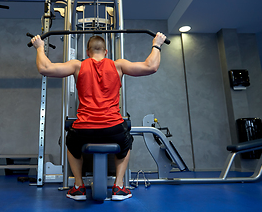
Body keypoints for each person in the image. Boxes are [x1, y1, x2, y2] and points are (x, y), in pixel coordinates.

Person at [31, 32, 167, 201]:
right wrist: (157, 44)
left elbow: (45, 68)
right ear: (106, 51)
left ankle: (79, 187)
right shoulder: (119, 65)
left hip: (84, 129)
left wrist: (40, 47)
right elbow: (150, 67)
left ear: (87, 52)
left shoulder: (77, 65)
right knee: (126, 142)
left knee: (71, 142)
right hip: (113, 128)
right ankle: (118, 186)